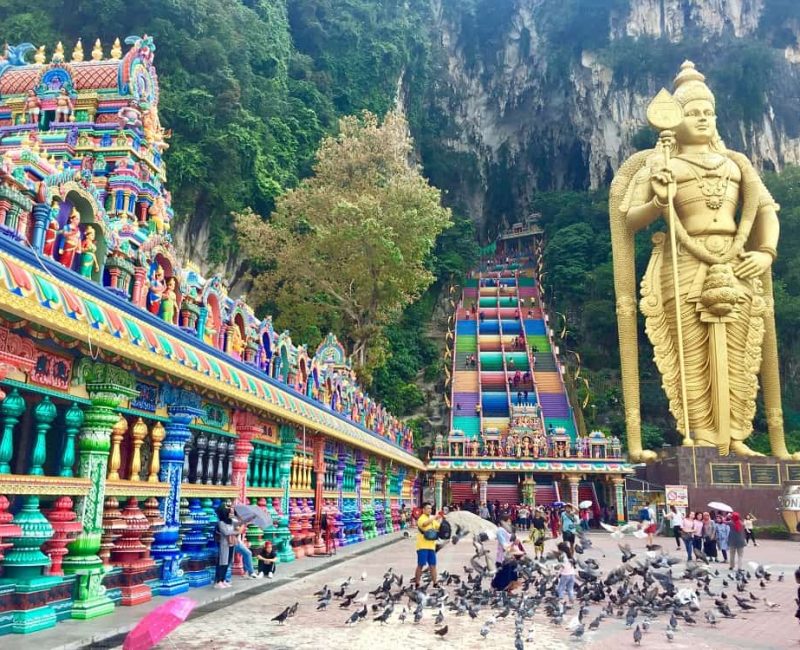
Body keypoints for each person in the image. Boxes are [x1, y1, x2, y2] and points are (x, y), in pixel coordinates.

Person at [491, 513, 522, 592]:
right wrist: (513, 544)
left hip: (511, 556)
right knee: (504, 576)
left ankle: (504, 589)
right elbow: (504, 544)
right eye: (508, 521)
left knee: (511, 574)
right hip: (503, 557)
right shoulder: (500, 531)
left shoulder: (508, 530)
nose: (510, 523)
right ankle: (499, 590)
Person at [414, 502, 441, 588]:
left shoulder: (431, 518)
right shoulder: (421, 518)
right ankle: (417, 583)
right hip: (422, 546)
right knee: (421, 565)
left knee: (433, 565)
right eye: (428, 508)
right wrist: (434, 518)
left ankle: (435, 583)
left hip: (431, 546)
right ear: (423, 510)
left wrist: (442, 519)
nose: (430, 510)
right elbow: (424, 524)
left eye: (430, 508)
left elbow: (439, 527)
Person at [214, 505, 237, 589]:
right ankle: (218, 581)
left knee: (227, 563)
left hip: (231, 545)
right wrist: (235, 531)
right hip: (224, 545)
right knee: (222, 563)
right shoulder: (221, 523)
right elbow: (226, 532)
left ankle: (223, 580)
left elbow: (235, 526)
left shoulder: (230, 521)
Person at [555, 541, 576, 607]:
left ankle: (561, 601)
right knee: (570, 589)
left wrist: (557, 573)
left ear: (560, 549)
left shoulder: (562, 556)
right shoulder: (570, 555)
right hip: (572, 574)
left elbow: (562, 566)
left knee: (560, 588)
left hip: (565, 574)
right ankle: (571, 602)